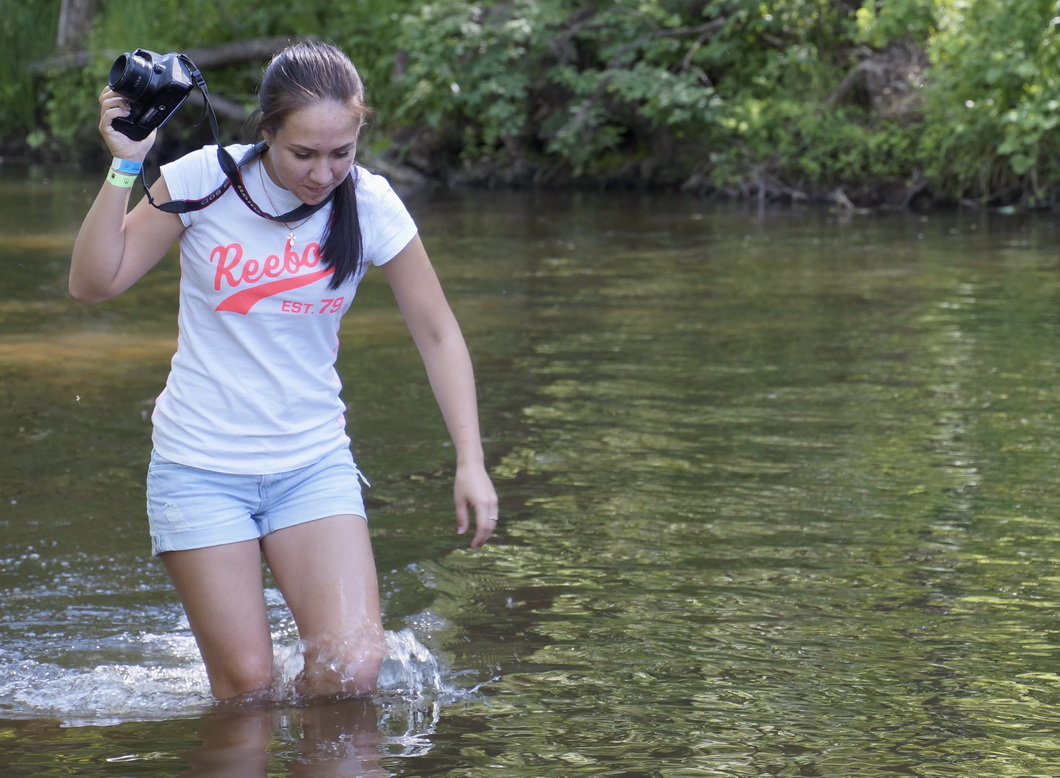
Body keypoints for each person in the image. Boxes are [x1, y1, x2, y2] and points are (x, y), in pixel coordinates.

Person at [69, 40, 499, 702]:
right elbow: (94, 283)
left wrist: (470, 460)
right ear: (266, 130)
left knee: (350, 675)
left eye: (341, 153)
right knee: (246, 691)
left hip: (311, 464)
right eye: (303, 153)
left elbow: (439, 333)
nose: (323, 172)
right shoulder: (199, 180)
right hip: (200, 468)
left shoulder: (372, 203)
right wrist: (127, 167)